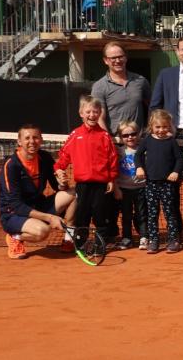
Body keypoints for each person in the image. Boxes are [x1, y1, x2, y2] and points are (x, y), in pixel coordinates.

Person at [0, 125, 77, 260]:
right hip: (13, 214)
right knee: (42, 231)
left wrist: (62, 183)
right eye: (27, 138)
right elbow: (16, 204)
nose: (32, 141)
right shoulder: (11, 166)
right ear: (19, 141)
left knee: (75, 193)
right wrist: (49, 218)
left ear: (41, 140)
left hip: (37, 205)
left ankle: (69, 238)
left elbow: (57, 187)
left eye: (35, 137)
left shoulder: (45, 157)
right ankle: (15, 237)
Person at [54, 96, 118, 252]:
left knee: (100, 215)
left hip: (101, 184)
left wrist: (111, 179)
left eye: (95, 112)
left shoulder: (104, 136)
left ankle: (99, 244)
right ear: (81, 113)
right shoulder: (75, 135)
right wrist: (58, 168)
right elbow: (63, 156)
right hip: (82, 185)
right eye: (88, 111)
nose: (92, 115)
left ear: (100, 113)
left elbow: (112, 159)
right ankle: (80, 243)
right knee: (82, 215)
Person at [136, 109, 183, 254]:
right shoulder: (147, 140)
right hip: (151, 183)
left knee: (170, 213)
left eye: (164, 127)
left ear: (169, 126)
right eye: (158, 127)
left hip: (167, 184)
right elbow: (138, 156)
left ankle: (173, 240)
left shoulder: (171, 142)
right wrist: (139, 168)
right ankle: (154, 240)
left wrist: (175, 171)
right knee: (152, 213)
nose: (161, 130)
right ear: (151, 126)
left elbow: (179, 159)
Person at [93, 42, 151, 135]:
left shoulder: (140, 81)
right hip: (115, 141)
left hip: (139, 141)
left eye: (120, 56)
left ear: (126, 58)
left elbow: (153, 108)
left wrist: (149, 132)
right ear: (105, 60)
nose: (117, 60)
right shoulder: (99, 87)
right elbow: (100, 118)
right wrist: (108, 141)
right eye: (113, 58)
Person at [112, 120, 145, 250]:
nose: (130, 137)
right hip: (124, 190)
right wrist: (117, 188)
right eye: (125, 135)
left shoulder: (143, 150)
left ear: (138, 134)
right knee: (126, 215)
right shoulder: (119, 152)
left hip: (141, 189)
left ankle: (144, 237)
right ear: (120, 138)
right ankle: (127, 238)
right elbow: (113, 170)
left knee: (142, 214)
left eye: (132, 134)